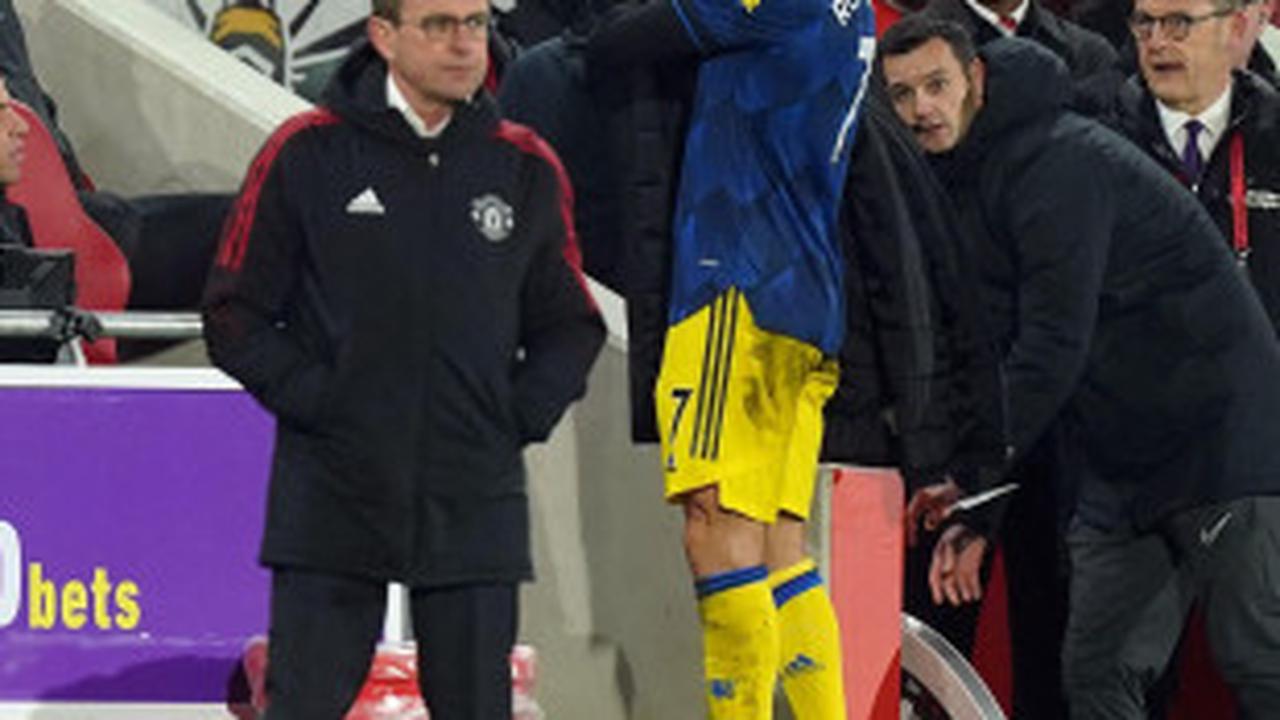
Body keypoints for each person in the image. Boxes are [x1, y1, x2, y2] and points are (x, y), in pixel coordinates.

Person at [201, 0, 605, 716]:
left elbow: (571, 325)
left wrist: (511, 417)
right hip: (333, 497)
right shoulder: (308, 152)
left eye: (476, 24)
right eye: (439, 25)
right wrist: (325, 403)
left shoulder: (523, 167)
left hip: (473, 501)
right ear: (384, 36)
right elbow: (235, 313)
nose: (463, 44)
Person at [880, 17, 1280, 718]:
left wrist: (972, 481)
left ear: (976, 80)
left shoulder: (1059, 160)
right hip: (1120, 464)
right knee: (1096, 675)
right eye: (902, 94)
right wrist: (979, 508)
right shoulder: (963, 185)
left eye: (937, 85)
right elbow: (1001, 360)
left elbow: (1051, 345)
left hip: (1222, 439)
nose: (922, 110)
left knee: (1263, 664)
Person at [587, 0, 876, 716]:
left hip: (736, 294)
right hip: (805, 298)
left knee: (716, 529)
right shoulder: (857, 11)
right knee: (783, 545)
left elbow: (615, 41)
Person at [1114, 0, 1280, 333]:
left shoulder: (1274, 135)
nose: (1157, 42)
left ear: (1233, 28)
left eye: (1179, 23)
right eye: (1145, 23)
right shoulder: (1100, 139)